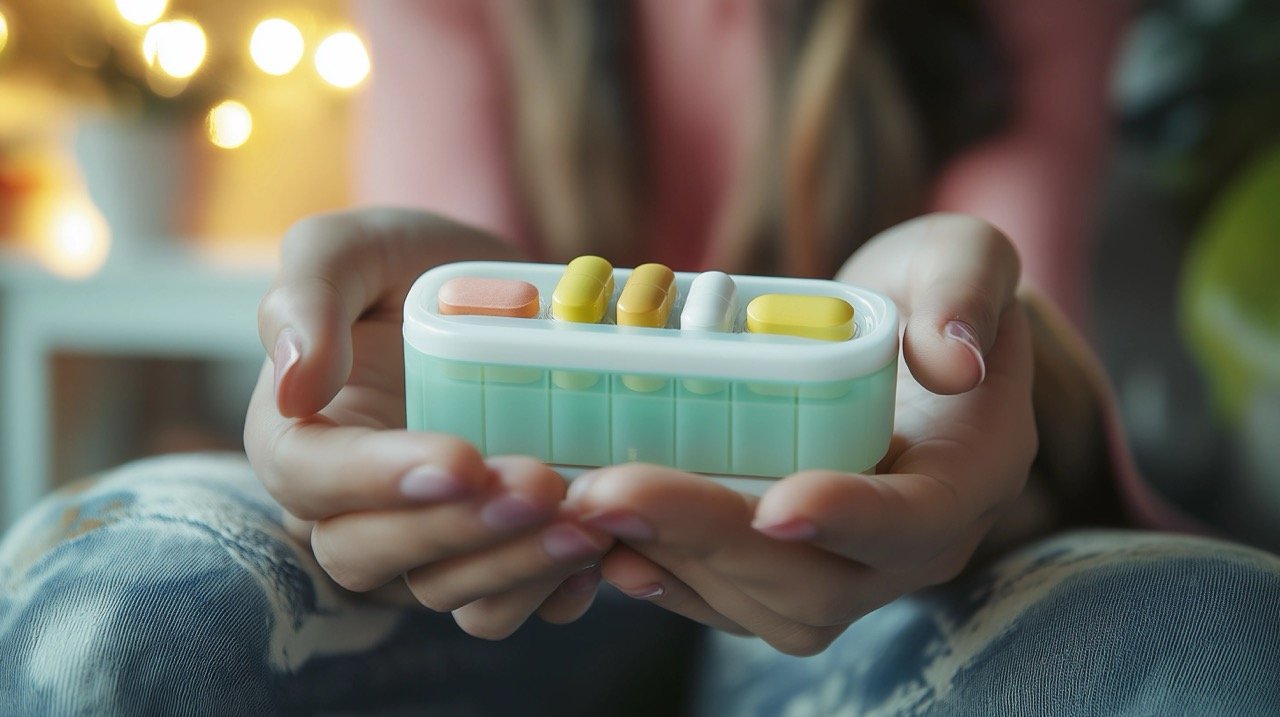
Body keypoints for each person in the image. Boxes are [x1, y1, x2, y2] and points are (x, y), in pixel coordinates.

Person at [2, 1, 1278, 714]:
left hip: (884, 582)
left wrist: (979, 370)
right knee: (110, 618)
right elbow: (432, 361)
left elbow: (1011, 342)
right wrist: (352, 394)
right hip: (505, 570)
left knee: (1219, 639)